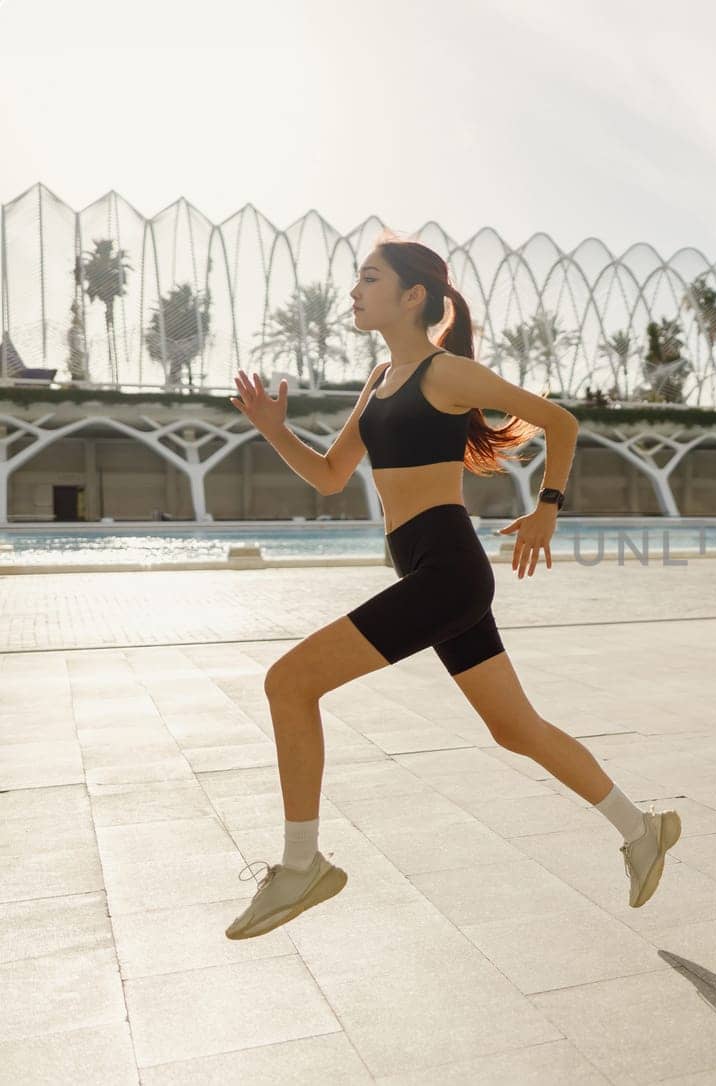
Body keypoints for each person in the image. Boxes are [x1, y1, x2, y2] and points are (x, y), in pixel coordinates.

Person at [224, 238, 679, 940]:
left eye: (369, 279)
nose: (354, 291)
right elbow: (329, 476)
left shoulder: (447, 373)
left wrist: (547, 508)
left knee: (289, 684)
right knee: (514, 727)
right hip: (429, 570)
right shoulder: (379, 379)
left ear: (412, 296)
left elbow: (561, 421)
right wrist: (275, 432)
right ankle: (641, 828)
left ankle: (299, 865)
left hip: (446, 568)